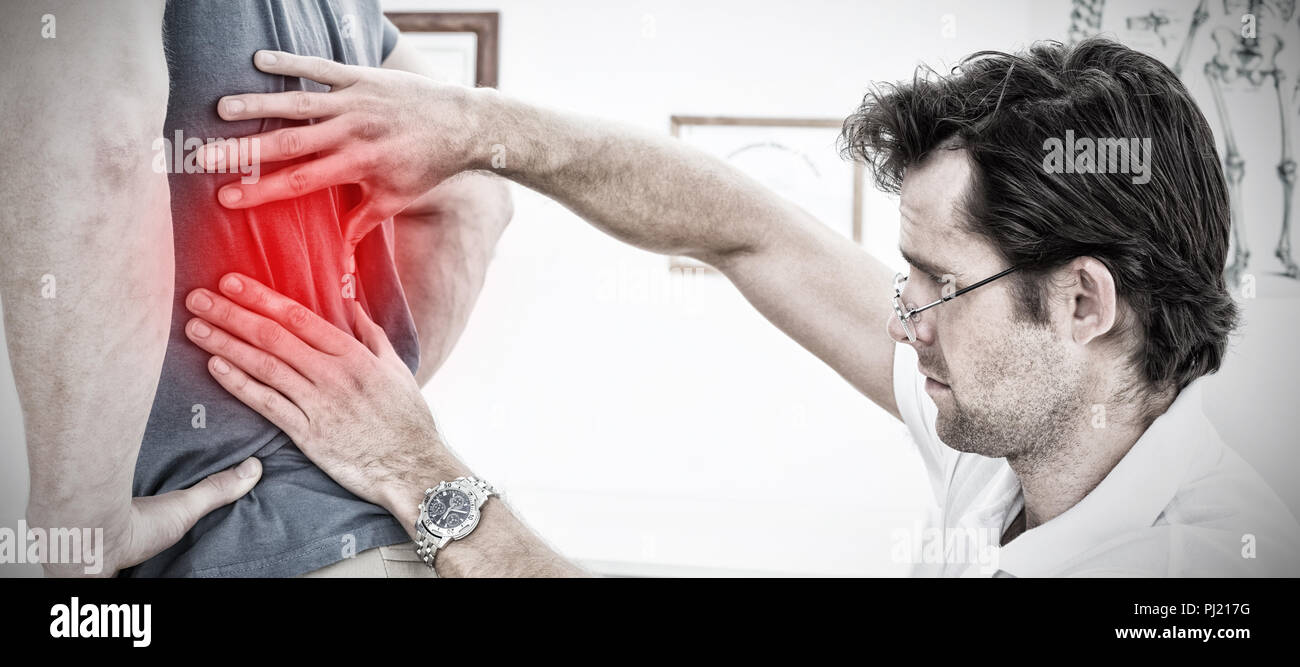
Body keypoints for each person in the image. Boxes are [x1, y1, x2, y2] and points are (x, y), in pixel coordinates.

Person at [184, 37, 1300, 577]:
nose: (903, 322)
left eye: (938, 286)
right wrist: (480, 132)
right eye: (904, 278)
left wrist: (425, 479)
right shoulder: (1026, 429)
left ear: (1083, 302)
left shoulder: (1197, 577)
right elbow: (742, 225)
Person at [0, 1, 510, 578]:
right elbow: (476, 194)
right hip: (384, 538)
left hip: (228, 549)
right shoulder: (351, 11)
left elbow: (97, 136)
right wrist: (354, 421)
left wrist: (80, 523)